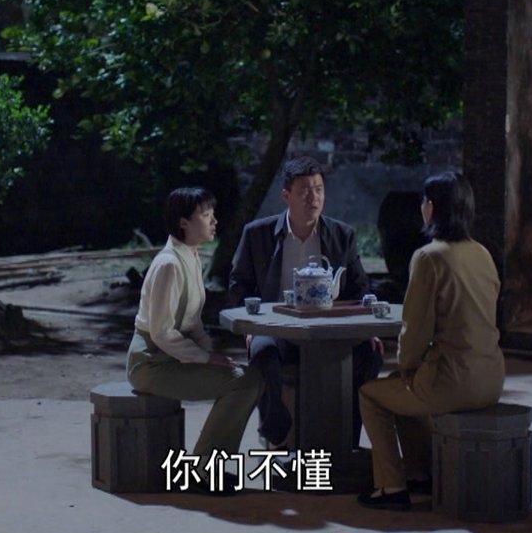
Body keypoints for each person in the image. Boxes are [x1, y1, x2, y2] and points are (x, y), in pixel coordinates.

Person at [356, 171, 505, 511]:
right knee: (403, 385)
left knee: (372, 394)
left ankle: (391, 486)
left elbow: (414, 330)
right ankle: (421, 472)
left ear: (432, 208)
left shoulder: (429, 257)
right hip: (491, 379)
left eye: (424, 201)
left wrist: (408, 366)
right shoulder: (482, 253)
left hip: (452, 382)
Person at [228, 156, 384, 449]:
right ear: (286, 195)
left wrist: (368, 329)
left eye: (319, 189)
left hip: (330, 332)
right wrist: (251, 329)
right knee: (262, 352)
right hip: (276, 330)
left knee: (369, 354)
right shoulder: (258, 234)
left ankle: (347, 439)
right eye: (304, 191)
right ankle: (275, 428)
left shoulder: (341, 235)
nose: (314, 198)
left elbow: (360, 287)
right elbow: (239, 285)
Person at [128, 187, 264, 494]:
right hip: (151, 363)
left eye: (212, 213)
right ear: (183, 223)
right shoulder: (168, 264)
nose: (214, 220)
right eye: (205, 214)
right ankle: (203, 470)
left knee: (248, 378)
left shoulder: (189, 256)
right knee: (243, 383)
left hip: (172, 357)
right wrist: (207, 359)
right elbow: (162, 332)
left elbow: (192, 323)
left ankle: (208, 466)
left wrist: (212, 355)